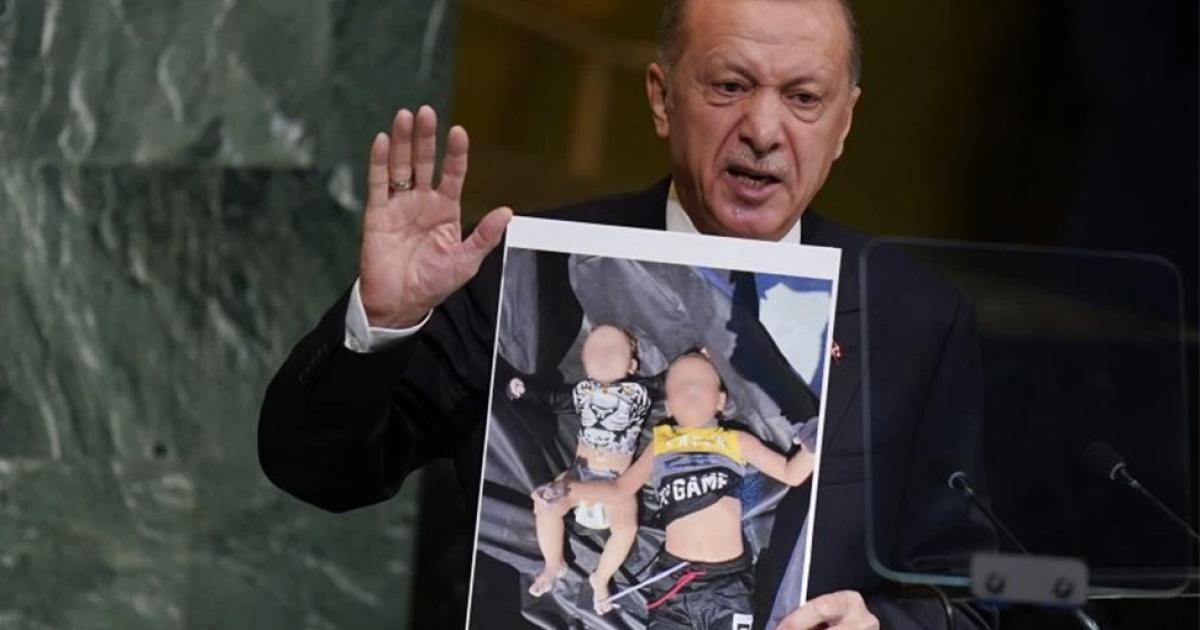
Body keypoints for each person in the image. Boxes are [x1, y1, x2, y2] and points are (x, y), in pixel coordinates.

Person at [258, 0, 995, 627]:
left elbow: (975, 594)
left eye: (804, 98)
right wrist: (382, 318)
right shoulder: (521, 269)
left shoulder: (915, 319)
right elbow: (318, 470)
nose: (765, 130)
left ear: (845, 123)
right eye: (731, 86)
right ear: (661, 97)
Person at [547, 349, 814, 627]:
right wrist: (569, 491)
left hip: (727, 585)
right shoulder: (660, 444)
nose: (689, 390)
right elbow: (619, 490)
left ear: (721, 401)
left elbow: (790, 473)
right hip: (673, 583)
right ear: (669, 407)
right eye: (679, 386)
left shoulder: (735, 440)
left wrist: (814, 445)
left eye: (699, 383)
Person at [509, 324, 653, 610]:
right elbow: (555, 399)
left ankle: (600, 579)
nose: (605, 358)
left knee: (625, 528)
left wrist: (695, 360)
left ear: (632, 365)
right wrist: (526, 393)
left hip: (615, 481)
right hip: (579, 473)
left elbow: (667, 383)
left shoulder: (639, 393)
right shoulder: (584, 391)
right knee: (546, 503)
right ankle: (554, 563)